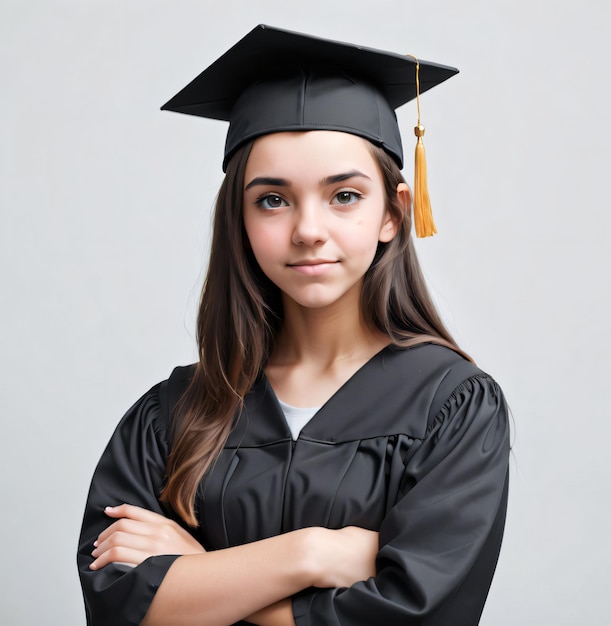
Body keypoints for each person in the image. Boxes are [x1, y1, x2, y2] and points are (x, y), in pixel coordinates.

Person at [77, 24, 510, 626]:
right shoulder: (173, 414)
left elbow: (415, 614)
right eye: (273, 199)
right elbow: (119, 605)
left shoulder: (452, 406)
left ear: (394, 213)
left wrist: (201, 578)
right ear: (240, 218)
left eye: (345, 196)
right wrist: (312, 556)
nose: (308, 229)